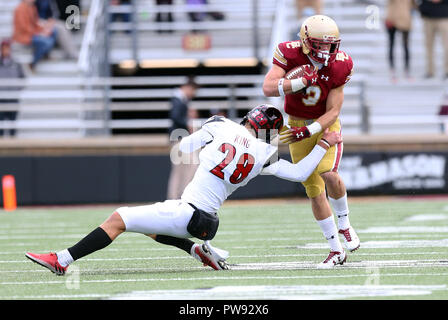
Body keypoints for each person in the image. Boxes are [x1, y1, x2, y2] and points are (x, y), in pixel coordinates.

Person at [25, 104, 342, 275]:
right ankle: (197, 249)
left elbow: (179, 150)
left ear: (249, 117)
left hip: (188, 213)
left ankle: (62, 260)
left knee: (118, 219)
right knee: (144, 227)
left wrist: (204, 132)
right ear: (269, 132)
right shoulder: (264, 155)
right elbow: (302, 172)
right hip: (207, 223)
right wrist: (324, 143)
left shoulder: (220, 125)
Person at [262, 15, 360, 268]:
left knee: (329, 173)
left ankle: (345, 224)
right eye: (319, 43)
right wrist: (298, 82)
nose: (325, 50)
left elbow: (334, 111)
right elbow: (269, 87)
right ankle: (335, 250)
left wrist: (312, 131)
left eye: (330, 44)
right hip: (295, 123)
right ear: (305, 41)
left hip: (324, 124)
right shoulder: (288, 52)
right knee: (314, 191)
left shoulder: (341, 64)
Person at [166, 77, 200, 200]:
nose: (193, 94)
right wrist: (188, 122)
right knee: (188, 166)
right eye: (193, 90)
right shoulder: (178, 99)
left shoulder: (181, 100)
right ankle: (179, 196)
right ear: (187, 87)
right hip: (179, 139)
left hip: (180, 139)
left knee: (181, 169)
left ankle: (177, 197)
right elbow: (176, 117)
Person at [12, 0, 57, 70]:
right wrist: (39, 33)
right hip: (23, 36)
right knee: (45, 42)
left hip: (32, 34)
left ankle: (45, 55)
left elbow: (35, 23)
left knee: (53, 32)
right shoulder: (20, 9)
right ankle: (33, 63)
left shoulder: (32, 7)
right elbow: (23, 27)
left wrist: (44, 29)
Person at [385, 0, 416, 82]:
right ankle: (393, 71)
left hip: (405, 19)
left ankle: (407, 71)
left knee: (405, 46)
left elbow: (413, 5)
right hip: (392, 19)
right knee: (392, 45)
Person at [0, 39, 25, 137]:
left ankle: (12, 142)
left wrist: (16, 89)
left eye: (7, 48)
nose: (6, 50)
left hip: (13, 98)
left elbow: (23, 78)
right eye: (4, 48)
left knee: (12, 125)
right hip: (1, 99)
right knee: (0, 126)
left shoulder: (16, 64)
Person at [418, 0, 448, 79]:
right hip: (428, 16)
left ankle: (447, 70)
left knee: (446, 46)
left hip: (443, 16)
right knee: (429, 46)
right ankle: (430, 71)